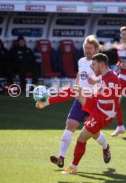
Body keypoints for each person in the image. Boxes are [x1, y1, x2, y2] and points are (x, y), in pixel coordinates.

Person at [36, 35, 101, 169]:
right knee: (70, 125)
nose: (87, 50)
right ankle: (61, 158)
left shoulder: (100, 63)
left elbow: (104, 81)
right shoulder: (81, 61)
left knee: (94, 134)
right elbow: (80, 74)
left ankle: (106, 147)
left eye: (89, 48)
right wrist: (77, 84)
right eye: (85, 48)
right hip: (80, 99)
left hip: (93, 101)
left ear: (96, 49)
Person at [55, 53, 120, 174]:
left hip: (104, 114)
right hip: (98, 109)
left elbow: (111, 94)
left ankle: (73, 167)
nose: (92, 67)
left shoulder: (112, 78)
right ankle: (105, 147)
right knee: (91, 135)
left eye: (93, 65)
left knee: (81, 137)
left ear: (101, 65)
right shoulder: (105, 76)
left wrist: (90, 93)